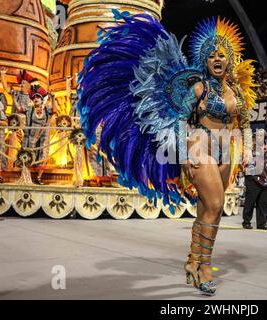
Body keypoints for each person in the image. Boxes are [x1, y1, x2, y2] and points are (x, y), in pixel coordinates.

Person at [77, 13, 256, 296]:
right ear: (205, 61)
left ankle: (193, 261)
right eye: (212, 56)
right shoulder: (199, 87)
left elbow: (244, 124)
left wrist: (246, 152)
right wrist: (184, 156)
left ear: (230, 58)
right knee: (216, 204)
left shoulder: (237, 94)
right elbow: (181, 120)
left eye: (222, 55)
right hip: (200, 146)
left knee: (210, 210)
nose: (217, 59)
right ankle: (205, 267)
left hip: (226, 150)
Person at [21, 87, 57, 184]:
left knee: (42, 156)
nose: (35, 99)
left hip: (43, 139)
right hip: (31, 138)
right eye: (34, 98)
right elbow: (20, 109)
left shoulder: (47, 109)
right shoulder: (29, 109)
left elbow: (54, 110)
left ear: (42, 100)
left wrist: (53, 98)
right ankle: (26, 177)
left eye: (38, 97)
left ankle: (38, 177)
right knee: (28, 156)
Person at [242, 132, 267, 231]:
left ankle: (262, 223)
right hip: (253, 178)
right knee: (250, 202)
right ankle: (246, 222)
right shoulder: (249, 150)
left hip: (265, 180)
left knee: (263, 203)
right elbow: (243, 163)